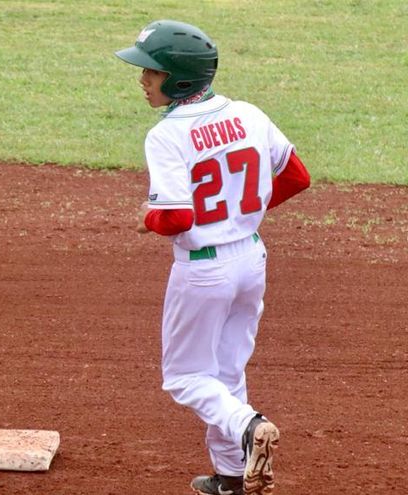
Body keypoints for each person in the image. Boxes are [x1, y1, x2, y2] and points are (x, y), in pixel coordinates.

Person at [114, 20, 311, 495]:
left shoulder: (167, 135)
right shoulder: (249, 114)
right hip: (251, 260)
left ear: (179, 79)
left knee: (185, 377)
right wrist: (242, 214)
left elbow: (177, 218)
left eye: (152, 72)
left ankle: (248, 425)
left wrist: (147, 219)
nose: (142, 80)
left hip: (204, 270)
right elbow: (296, 176)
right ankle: (231, 477)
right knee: (225, 374)